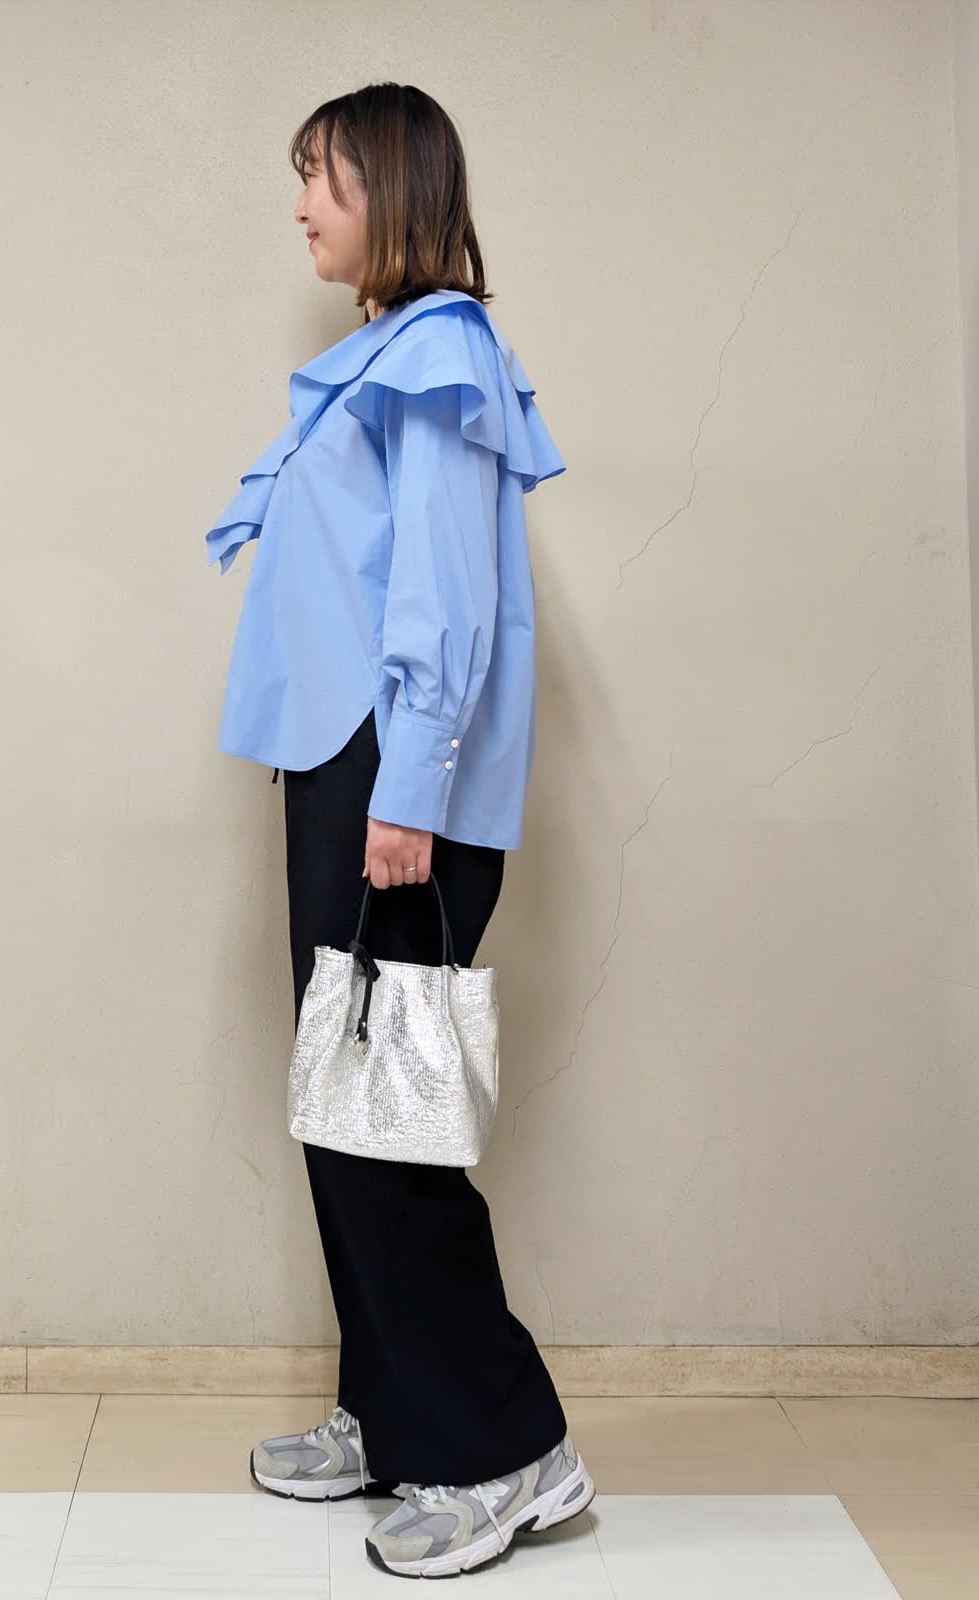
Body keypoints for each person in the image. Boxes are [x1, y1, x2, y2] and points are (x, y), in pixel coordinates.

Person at [204, 82, 595, 1579]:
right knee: (342, 1100)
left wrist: (409, 794)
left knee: (389, 1123)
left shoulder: (440, 351)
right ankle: (392, 1410)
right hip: (343, 766)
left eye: (324, 177)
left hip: (391, 777)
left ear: (394, 189)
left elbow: (444, 589)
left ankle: (506, 1448)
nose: (301, 203)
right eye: (301, 176)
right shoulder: (383, 352)